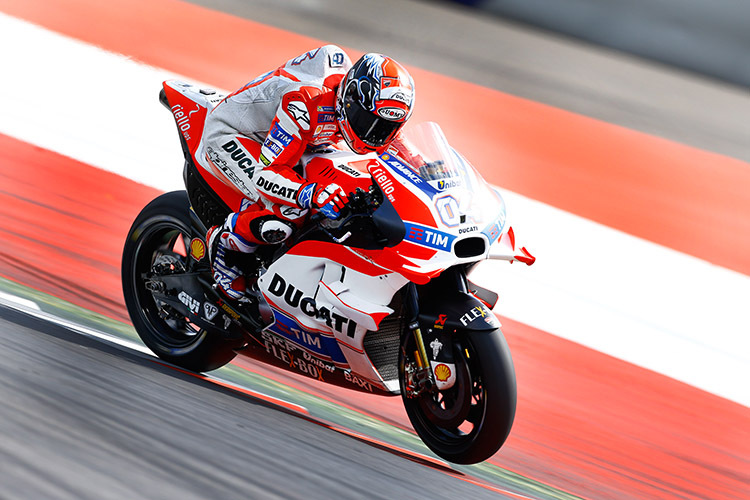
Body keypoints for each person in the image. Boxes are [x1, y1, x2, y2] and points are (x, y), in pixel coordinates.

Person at [196, 45, 415, 300]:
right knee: (288, 212)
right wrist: (311, 193)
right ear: (350, 99)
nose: (374, 134)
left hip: (296, 141)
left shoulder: (367, 107)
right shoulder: (304, 103)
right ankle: (225, 242)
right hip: (236, 134)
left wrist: (431, 168)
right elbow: (267, 174)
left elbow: (401, 147)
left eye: (384, 127)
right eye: (368, 122)